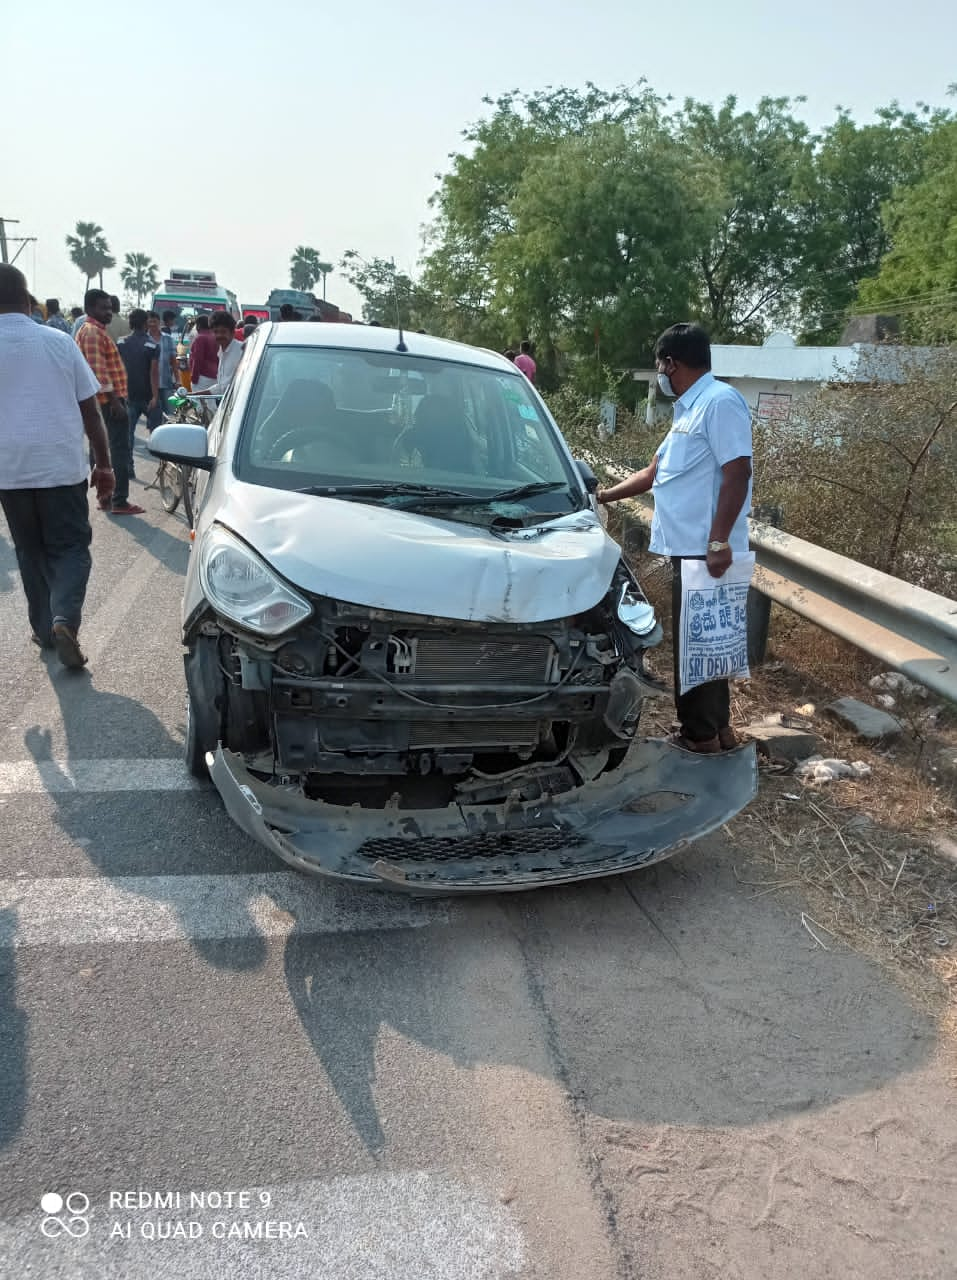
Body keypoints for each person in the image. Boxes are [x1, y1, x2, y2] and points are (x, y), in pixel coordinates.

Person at [597, 322, 753, 755]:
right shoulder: (691, 408)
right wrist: (604, 495)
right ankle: (717, 731)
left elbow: (738, 472)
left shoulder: (720, 402)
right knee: (709, 645)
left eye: (660, 365)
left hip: (707, 550)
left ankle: (697, 736)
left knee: (698, 647)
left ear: (670, 363)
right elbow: (653, 473)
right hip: (691, 548)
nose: (661, 374)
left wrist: (719, 540)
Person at [0, 264, 114, 669]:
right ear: (27, 298)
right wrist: (105, 466)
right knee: (70, 549)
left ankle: (44, 627)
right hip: (60, 467)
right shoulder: (58, 342)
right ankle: (64, 618)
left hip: (9, 472)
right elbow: (91, 411)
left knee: (30, 551)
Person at [76, 288, 144, 516]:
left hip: (102, 401)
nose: (108, 312)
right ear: (90, 309)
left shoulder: (91, 330)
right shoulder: (93, 333)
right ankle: (119, 500)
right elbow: (99, 373)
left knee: (101, 448)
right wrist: (115, 402)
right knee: (119, 450)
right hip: (107, 402)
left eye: (109, 308)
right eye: (103, 308)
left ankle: (106, 497)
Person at [118, 310, 159, 468]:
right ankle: (160, 468)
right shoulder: (152, 345)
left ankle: (129, 467)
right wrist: (155, 397)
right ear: (145, 324)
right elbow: (153, 373)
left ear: (130, 324)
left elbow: (119, 369)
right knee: (157, 433)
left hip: (128, 395)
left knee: (128, 435)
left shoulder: (121, 343)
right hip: (148, 395)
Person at [202, 311, 243, 395]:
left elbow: (228, 387)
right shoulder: (221, 352)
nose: (219, 335)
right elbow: (221, 387)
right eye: (216, 332)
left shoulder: (240, 350)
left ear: (232, 333)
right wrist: (192, 395)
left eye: (223, 332)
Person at [188, 314, 219, 391]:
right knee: (210, 401)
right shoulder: (214, 337)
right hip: (215, 376)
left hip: (202, 377)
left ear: (198, 326)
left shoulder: (200, 338)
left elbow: (198, 359)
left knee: (198, 401)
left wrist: (194, 377)